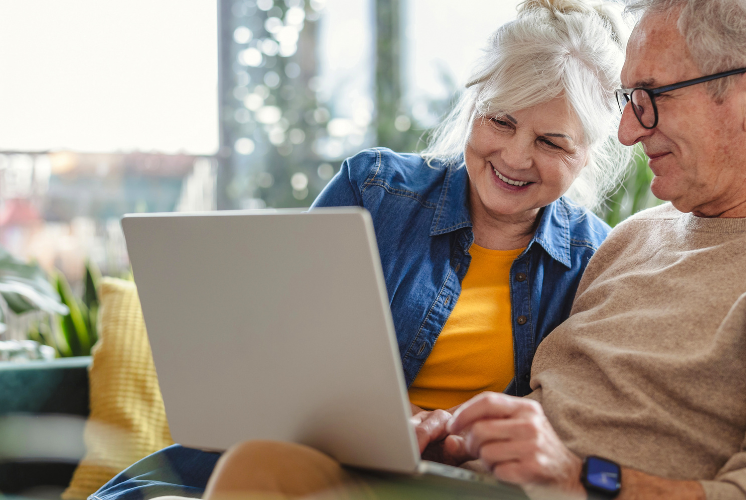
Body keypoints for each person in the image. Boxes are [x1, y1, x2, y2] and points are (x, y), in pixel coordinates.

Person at [187, 0, 746, 499]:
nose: (629, 134)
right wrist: (466, 436)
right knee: (264, 465)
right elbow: (545, 406)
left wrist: (587, 474)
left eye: (651, 98)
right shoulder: (637, 240)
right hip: (481, 483)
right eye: (627, 101)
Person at [90, 1, 629, 499]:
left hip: (445, 484)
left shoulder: (593, 259)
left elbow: (572, 422)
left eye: (550, 142)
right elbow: (281, 358)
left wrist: (455, 435)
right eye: (500, 120)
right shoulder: (374, 190)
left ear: (588, 154)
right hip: (300, 460)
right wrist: (403, 418)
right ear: (472, 108)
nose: (513, 156)